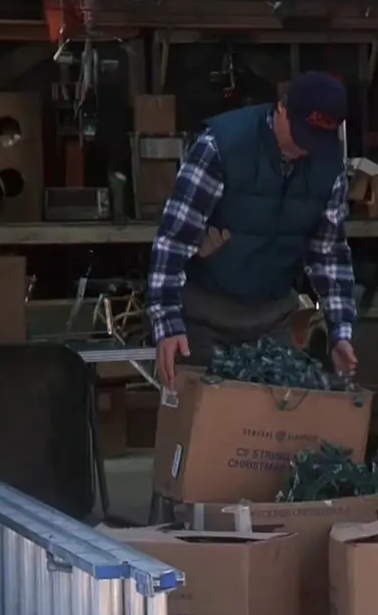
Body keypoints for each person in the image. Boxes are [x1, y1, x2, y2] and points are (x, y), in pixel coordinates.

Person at [148, 72, 359, 391]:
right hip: (203, 323)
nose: (306, 149)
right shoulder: (220, 146)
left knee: (270, 435)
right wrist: (167, 324)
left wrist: (340, 332)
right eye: (301, 136)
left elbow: (329, 255)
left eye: (316, 140)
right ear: (282, 109)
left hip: (272, 322)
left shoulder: (329, 168)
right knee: (205, 433)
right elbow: (174, 240)